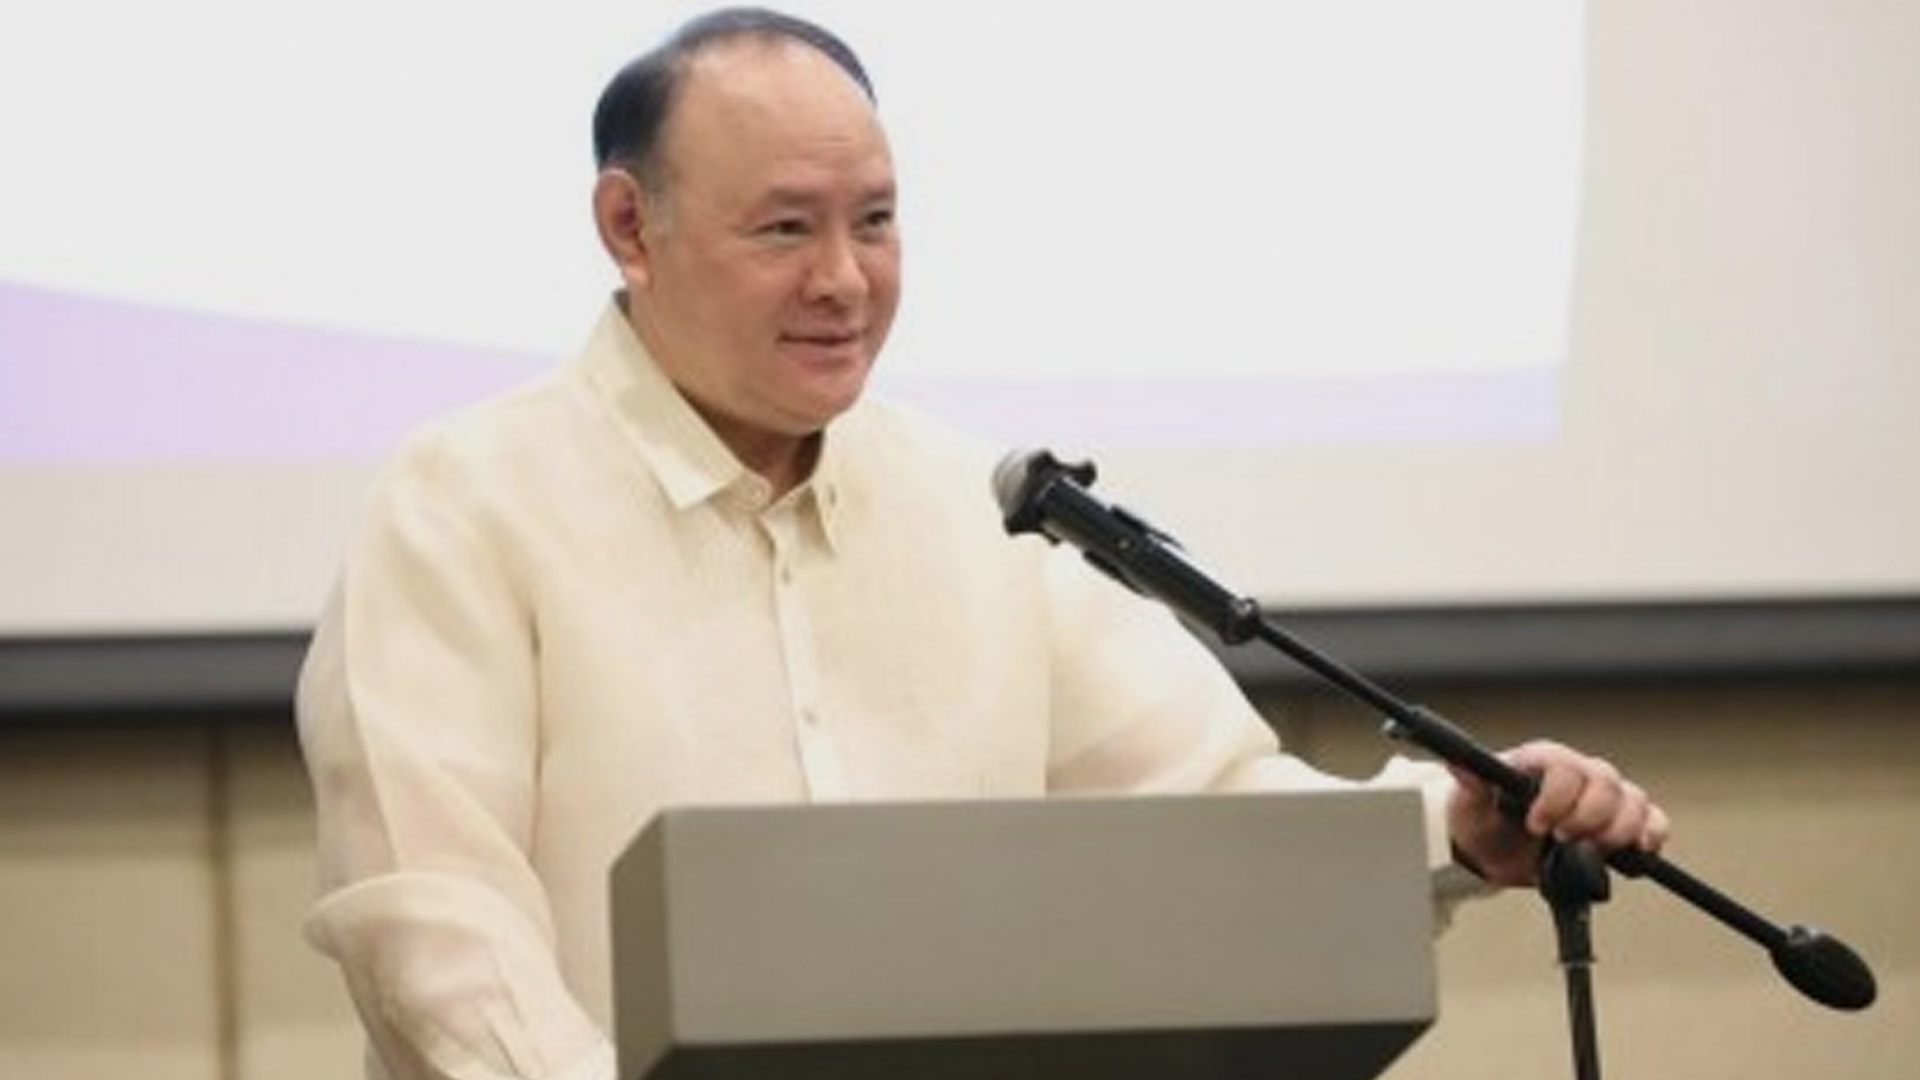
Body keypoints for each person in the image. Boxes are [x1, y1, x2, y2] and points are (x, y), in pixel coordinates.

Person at [296, 8, 1670, 1080]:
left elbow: (1213, 814)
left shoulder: (977, 503)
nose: (845, 279)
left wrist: (1456, 827)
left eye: (876, 221)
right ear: (627, 228)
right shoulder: (465, 505)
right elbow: (434, 927)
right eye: (785, 229)